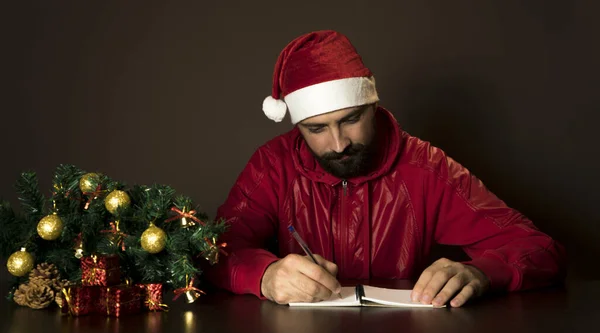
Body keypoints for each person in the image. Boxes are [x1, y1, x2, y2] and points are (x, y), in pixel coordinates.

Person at [204, 30, 566, 307]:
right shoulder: (273, 165)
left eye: (351, 119)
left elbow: (540, 249)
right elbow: (213, 249)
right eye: (316, 129)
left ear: (373, 105)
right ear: (297, 126)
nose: (339, 144)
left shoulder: (428, 168)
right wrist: (265, 275)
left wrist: (481, 272)